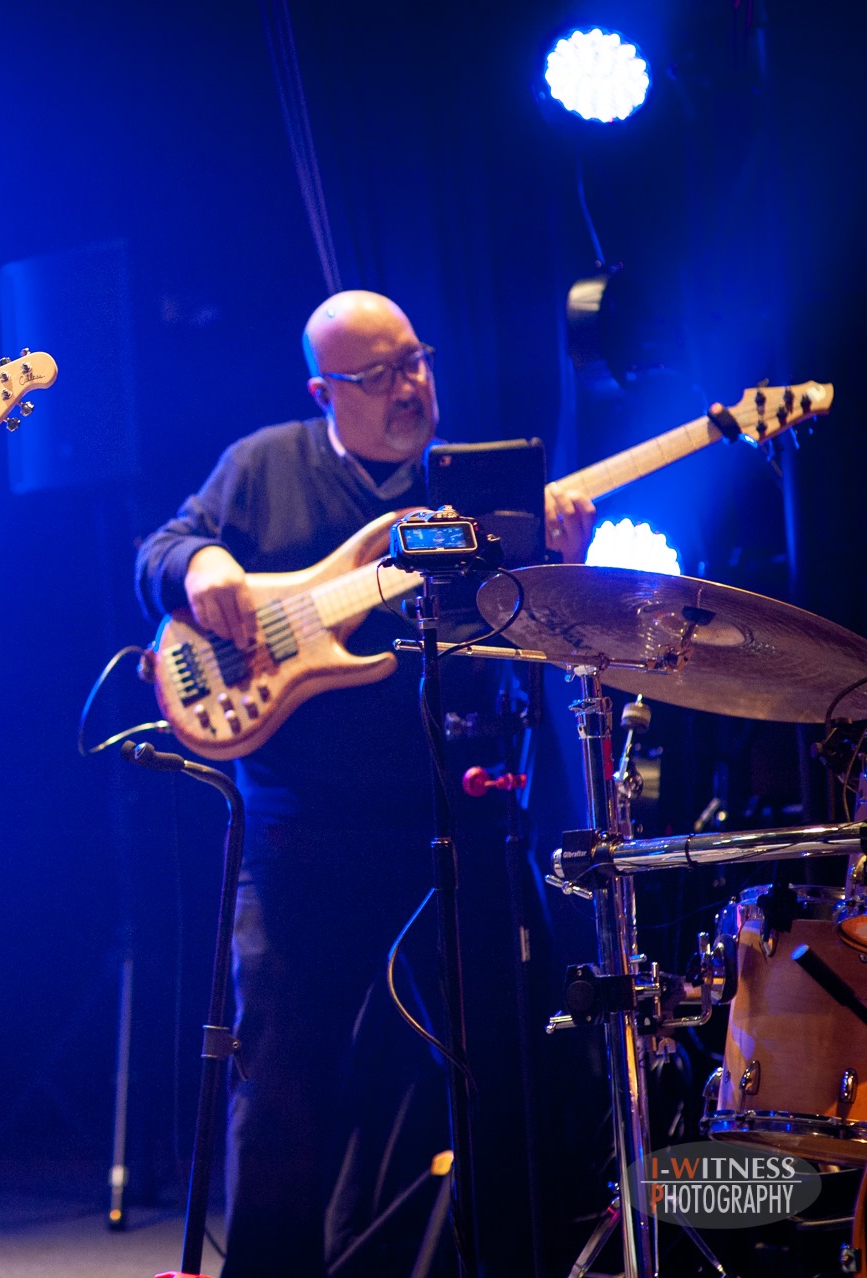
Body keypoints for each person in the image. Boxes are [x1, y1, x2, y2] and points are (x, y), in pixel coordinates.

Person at [133, 290, 596, 1275]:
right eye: (378, 373)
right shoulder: (263, 467)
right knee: (283, 1089)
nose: (410, 386)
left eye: (416, 361)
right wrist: (203, 564)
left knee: (498, 1074)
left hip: (451, 826)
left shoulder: (473, 496)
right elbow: (160, 552)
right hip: (299, 838)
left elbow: (527, 647)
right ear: (323, 390)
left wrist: (559, 566)